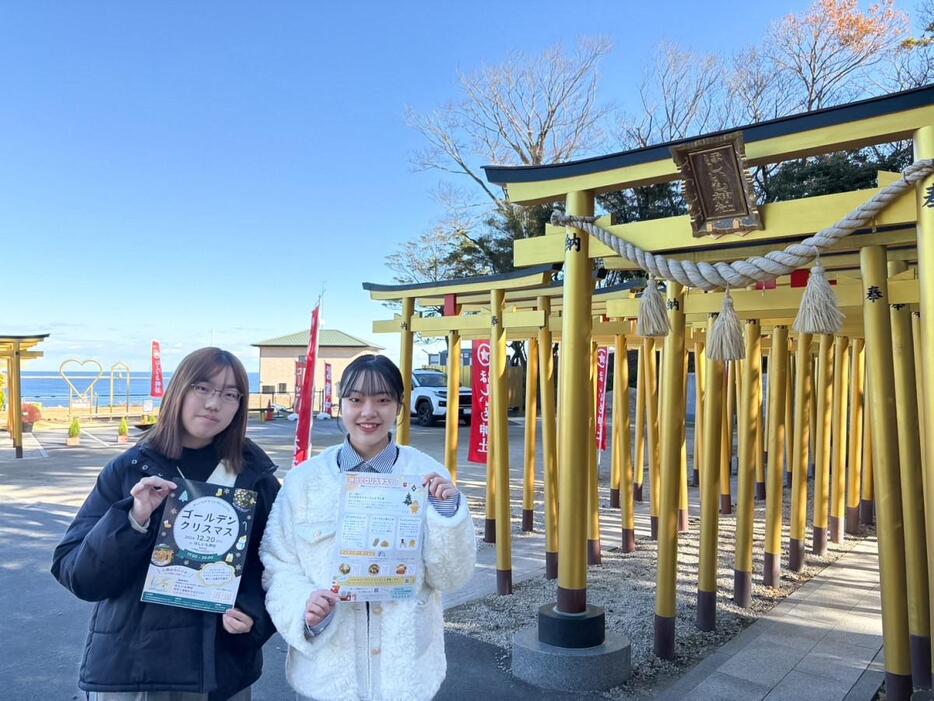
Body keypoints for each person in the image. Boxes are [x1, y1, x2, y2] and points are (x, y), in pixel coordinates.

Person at [52, 347, 280, 701]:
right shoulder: (130, 470)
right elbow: (78, 574)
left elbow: (278, 565)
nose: (214, 403)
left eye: (230, 394)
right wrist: (134, 519)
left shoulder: (254, 477)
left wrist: (254, 615)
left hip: (220, 669)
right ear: (179, 390)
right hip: (134, 668)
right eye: (202, 388)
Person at [261, 354, 476, 701]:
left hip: (405, 674)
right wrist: (305, 605)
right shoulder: (305, 481)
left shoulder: (427, 474)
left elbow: (450, 577)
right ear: (340, 403)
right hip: (326, 677)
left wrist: (448, 514)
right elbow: (278, 564)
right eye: (356, 399)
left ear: (399, 407)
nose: (368, 412)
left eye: (382, 400)